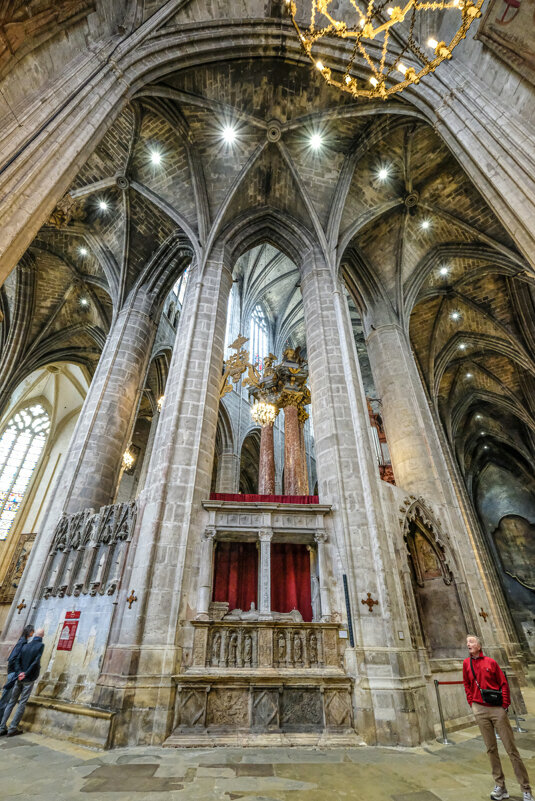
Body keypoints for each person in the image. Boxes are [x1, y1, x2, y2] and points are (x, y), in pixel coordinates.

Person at [463, 634, 533, 801]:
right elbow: (467, 683)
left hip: (496, 709)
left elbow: (503, 683)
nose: (468, 644)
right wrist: (471, 703)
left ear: (479, 645)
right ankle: (500, 786)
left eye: (471, 641)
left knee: (511, 750)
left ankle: (526, 789)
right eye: (467, 642)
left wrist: (505, 705)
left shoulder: (491, 662)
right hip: (480, 709)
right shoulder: (466, 664)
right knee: (491, 749)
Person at [0, 626, 44, 737]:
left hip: (19, 677)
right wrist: (26, 673)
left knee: (11, 702)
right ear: (42, 636)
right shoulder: (40, 645)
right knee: (21, 703)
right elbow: (35, 662)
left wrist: (20, 672)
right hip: (27, 678)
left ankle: (1, 727)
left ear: (34, 635)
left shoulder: (26, 645)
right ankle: (12, 728)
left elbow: (18, 660)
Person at [0, 623, 34, 719]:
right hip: (13, 673)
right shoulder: (22, 643)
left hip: (13, 672)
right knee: (5, 699)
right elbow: (13, 659)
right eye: (32, 631)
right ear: (29, 632)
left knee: (7, 698)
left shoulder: (22, 641)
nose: (33, 633)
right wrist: (17, 672)